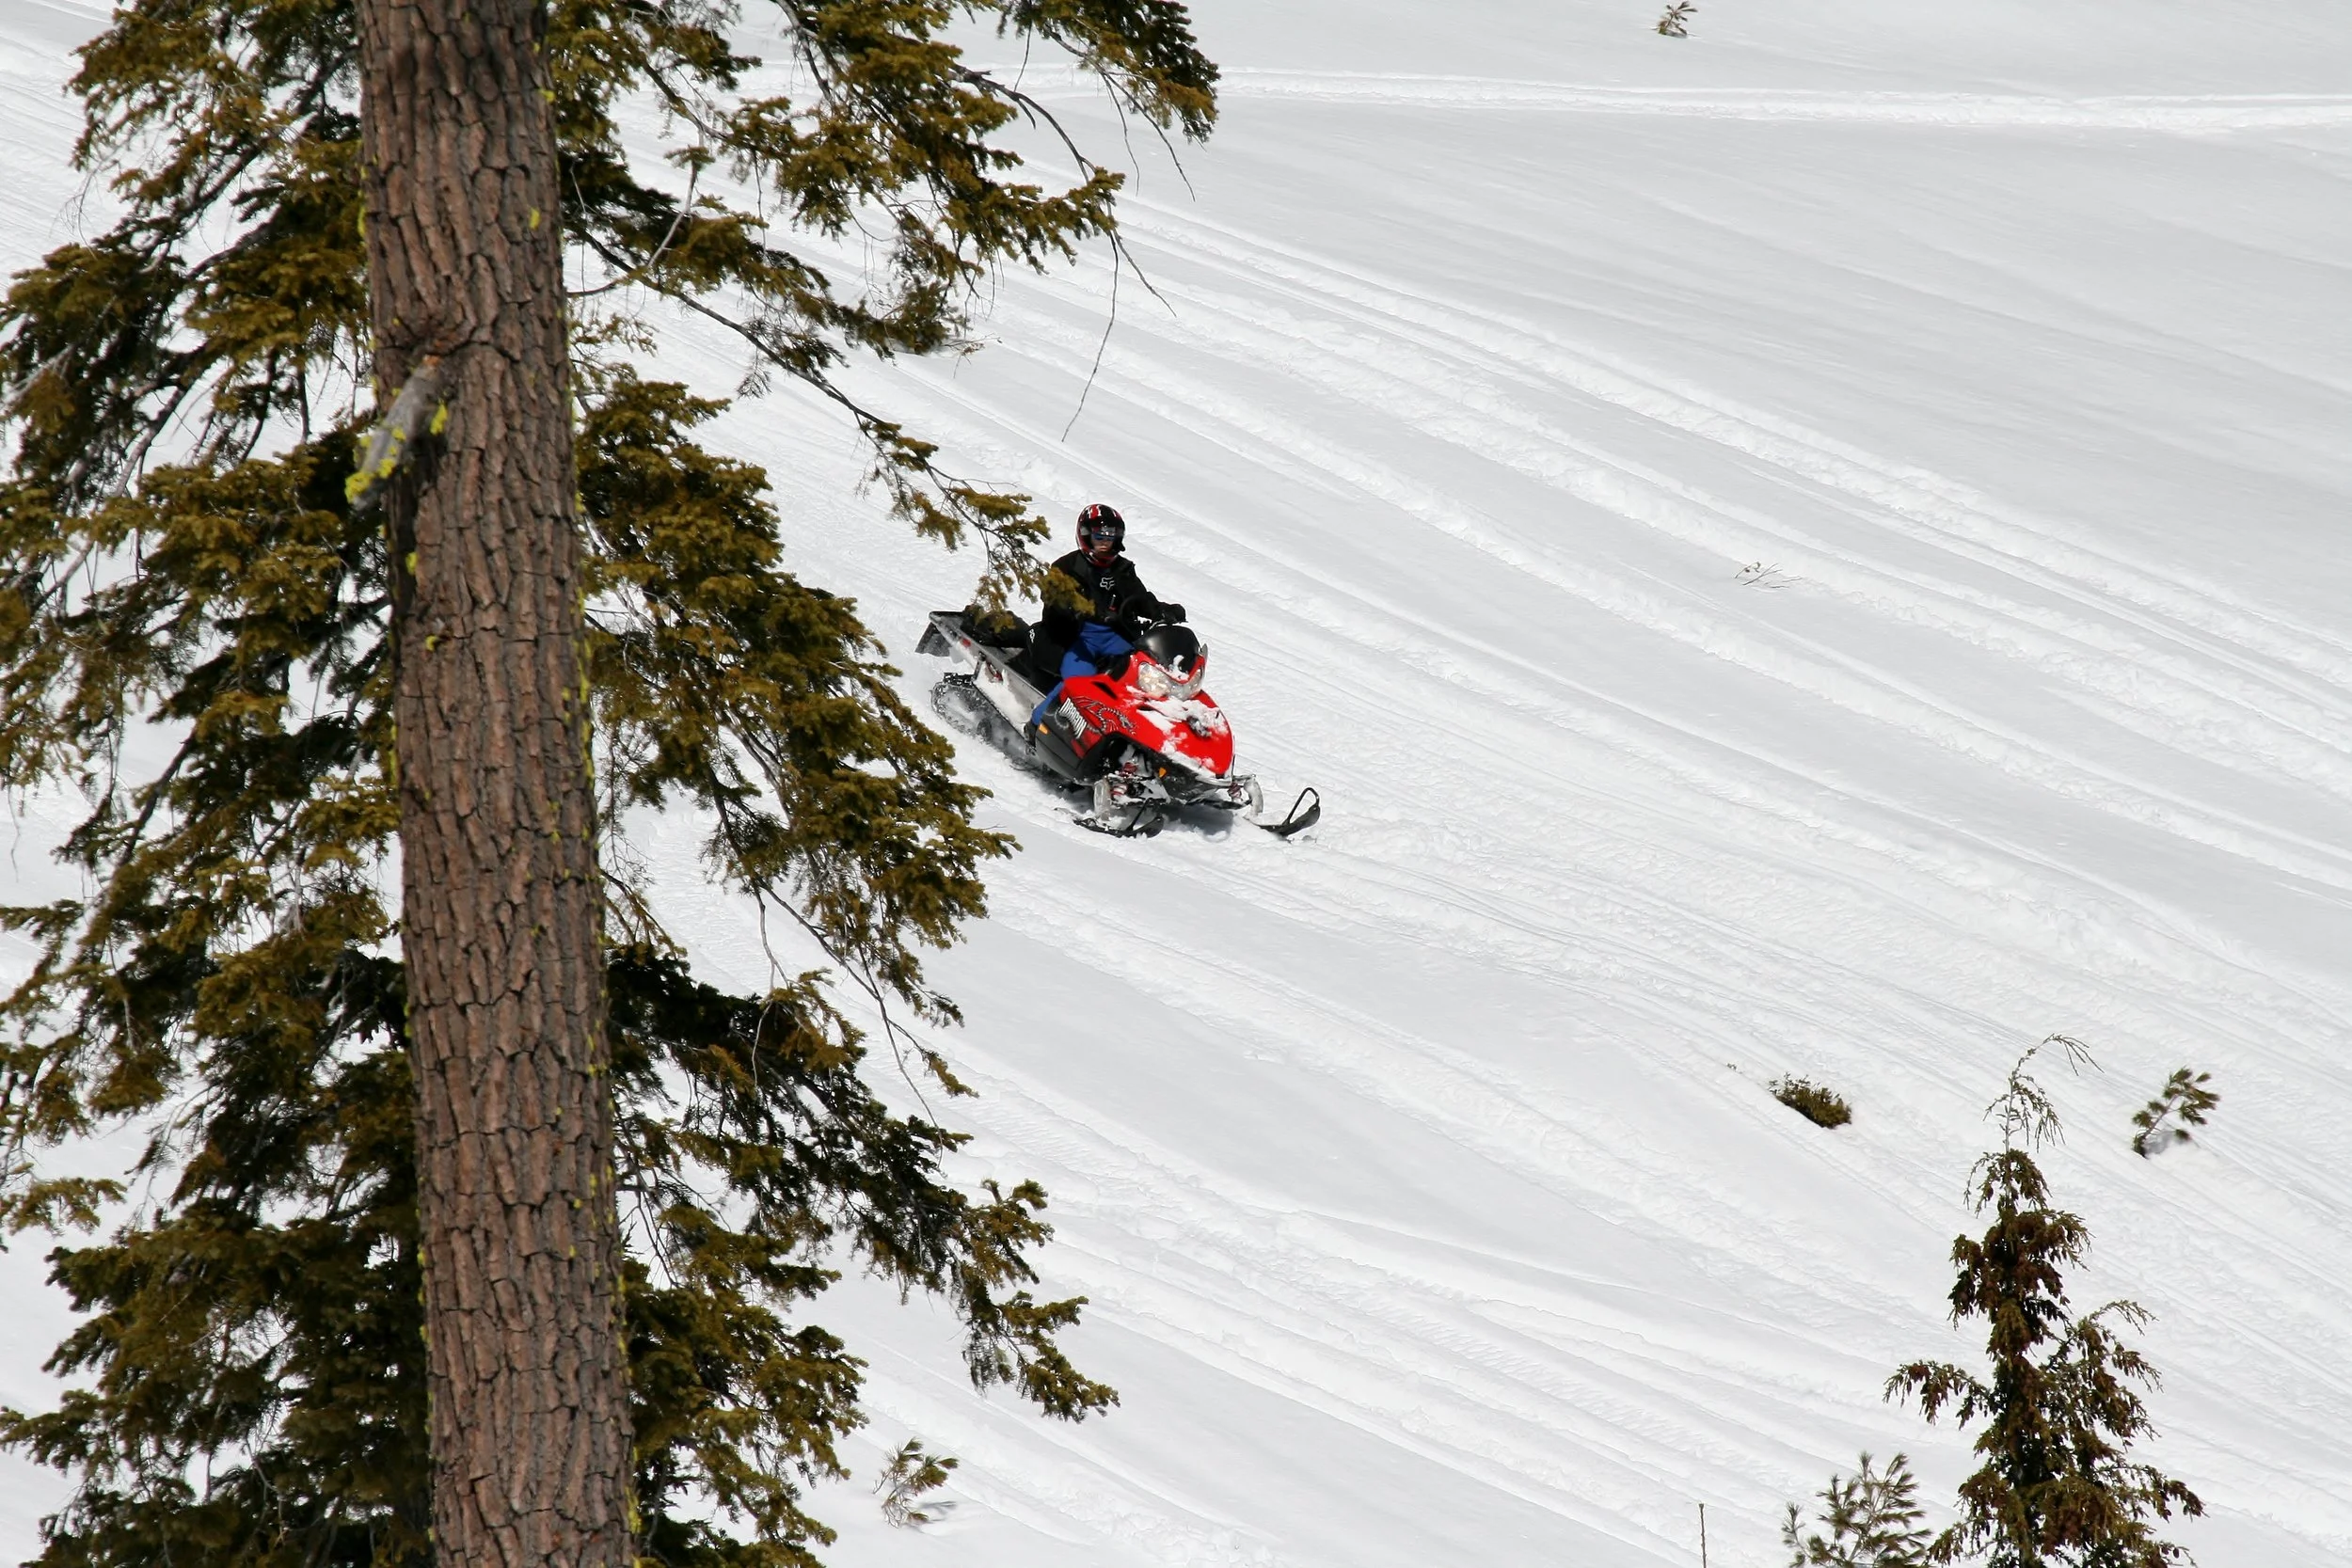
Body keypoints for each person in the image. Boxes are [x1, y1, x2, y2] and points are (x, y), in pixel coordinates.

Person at [1028, 503, 1185, 734]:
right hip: (1076, 640)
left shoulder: (1122, 569)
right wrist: (1070, 608)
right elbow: (1051, 597)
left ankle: (1137, 731)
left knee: (1139, 676)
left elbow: (1138, 598)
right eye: (1099, 536)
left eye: (1110, 537)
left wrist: (1161, 610)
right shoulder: (1067, 567)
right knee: (1078, 683)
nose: (1104, 542)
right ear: (1086, 536)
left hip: (1113, 637)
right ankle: (1036, 725)